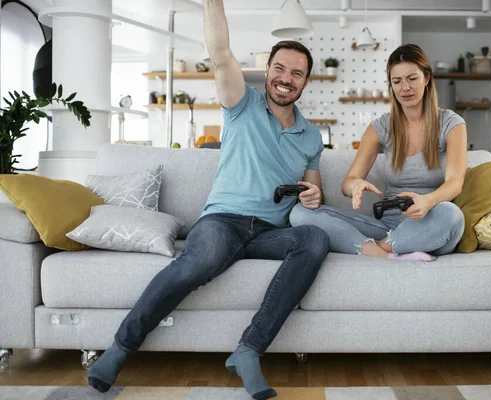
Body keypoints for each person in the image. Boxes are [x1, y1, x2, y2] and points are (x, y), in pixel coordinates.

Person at [87, 1, 329, 399]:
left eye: (297, 74)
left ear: (305, 82)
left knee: (314, 239)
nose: (286, 79)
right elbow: (220, 55)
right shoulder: (242, 104)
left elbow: (312, 194)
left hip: (271, 231)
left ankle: (248, 350)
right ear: (267, 71)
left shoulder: (311, 136)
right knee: (197, 261)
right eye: (280, 69)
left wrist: (314, 193)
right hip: (224, 221)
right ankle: (121, 347)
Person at [290, 43, 466, 260]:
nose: (405, 88)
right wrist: (355, 185)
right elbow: (348, 183)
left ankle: (385, 248)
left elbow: (455, 183)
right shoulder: (381, 127)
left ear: (427, 78)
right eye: (397, 81)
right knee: (300, 213)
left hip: (429, 223)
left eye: (412, 78)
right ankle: (384, 253)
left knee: (452, 215)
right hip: (388, 224)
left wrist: (428, 201)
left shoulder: (452, 124)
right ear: (391, 85)